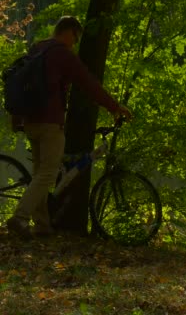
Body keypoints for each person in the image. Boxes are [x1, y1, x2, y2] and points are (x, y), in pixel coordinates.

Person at [6, 16, 132, 239]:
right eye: (76, 36)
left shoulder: (37, 48)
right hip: (50, 122)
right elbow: (88, 83)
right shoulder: (62, 54)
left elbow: (21, 81)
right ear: (68, 31)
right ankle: (20, 217)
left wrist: (17, 117)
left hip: (30, 121)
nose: (75, 41)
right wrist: (114, 107)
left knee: (39, 174)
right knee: (48, 173)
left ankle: (42, 226)